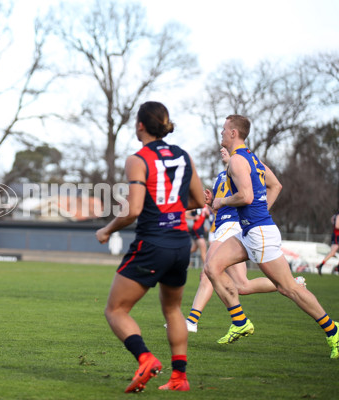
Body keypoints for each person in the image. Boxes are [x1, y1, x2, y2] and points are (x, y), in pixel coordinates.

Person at [204, 114, 339, 359]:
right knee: (212, 266)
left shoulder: (236, 161)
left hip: (259, 235)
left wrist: (222, 201)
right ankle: (240, 321)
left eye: (224, 129)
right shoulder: (252, 159)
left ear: (234, 133)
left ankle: (333, 330)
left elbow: (245, 197)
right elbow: (276, 185)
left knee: (289, 289)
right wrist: (259, 214)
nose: (222, 133)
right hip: (251, 231)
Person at [95, 101, 205, 392]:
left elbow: (133, 210)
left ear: (141, 125)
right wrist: (173, 208)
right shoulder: (184, 156)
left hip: (153, 243)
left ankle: (145, 358)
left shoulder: (138, 159)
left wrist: (106, 230)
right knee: (173, 310)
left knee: (116, 309)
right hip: (182, 243)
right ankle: (179, 378)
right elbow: (199, 200)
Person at [185, 147, 282, 333]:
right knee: (242, 285)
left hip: (232, 227)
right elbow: (220, 207)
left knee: (208, 271)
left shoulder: (241, 169)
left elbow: (252, 195)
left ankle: (192, 321)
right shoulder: (222, 175)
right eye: (221, 148)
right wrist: (212, 200)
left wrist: (259, 212)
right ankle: (290, 284)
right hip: (223, 227)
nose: (222, 150)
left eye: (226, 147)